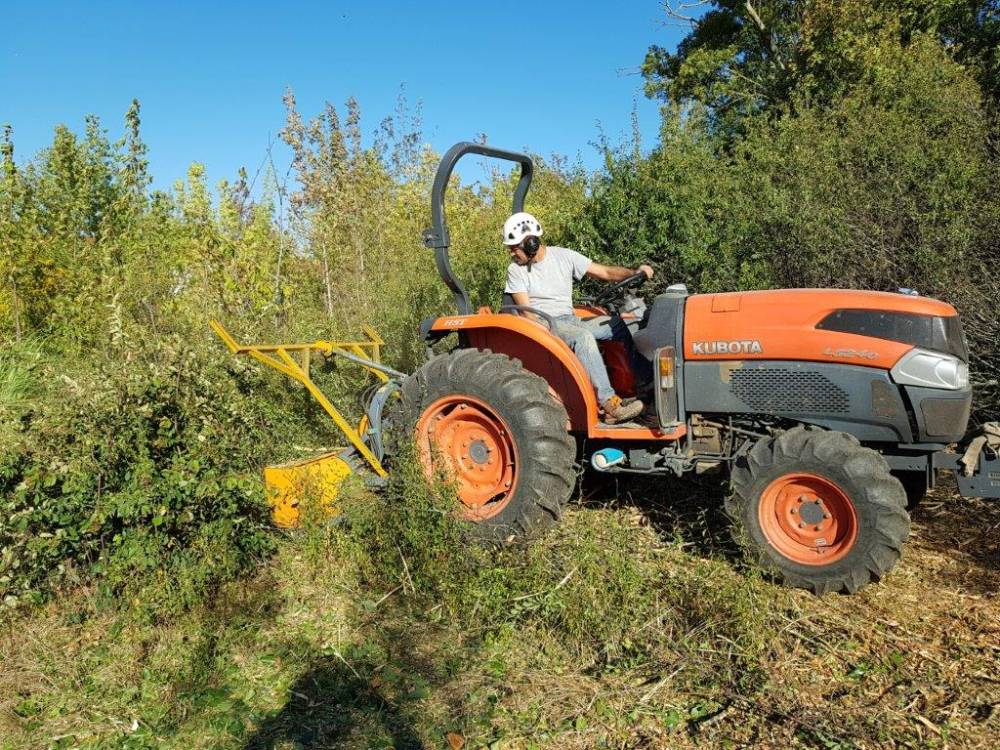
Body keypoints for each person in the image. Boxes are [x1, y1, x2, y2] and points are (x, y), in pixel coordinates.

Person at [502, 211, 654, 424]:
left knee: (618, 325)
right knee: (582, 337)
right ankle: (610, 403)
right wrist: (548, 332)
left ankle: (642, 386)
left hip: (570, 319)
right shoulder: (515, 271)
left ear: (531, 243)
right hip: (545, 322)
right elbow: (527, 312)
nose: (511, 254)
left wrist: (634, 272)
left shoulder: (563, 256)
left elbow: (605, 273)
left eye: (513, 248)